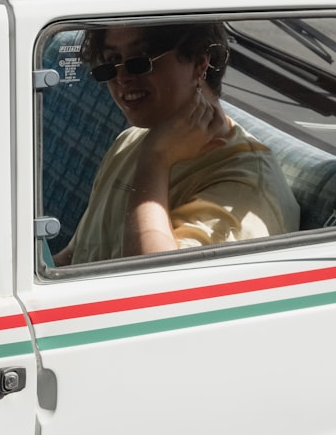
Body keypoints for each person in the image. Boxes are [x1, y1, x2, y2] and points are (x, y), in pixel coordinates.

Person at [53, 23, 299, 266]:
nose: (122, 76)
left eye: (141, 59)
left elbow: (154, 287)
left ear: (200, 62)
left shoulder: (245, 188)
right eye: (111, 60)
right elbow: (75, 257)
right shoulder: (130, 141)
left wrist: (155, 160)